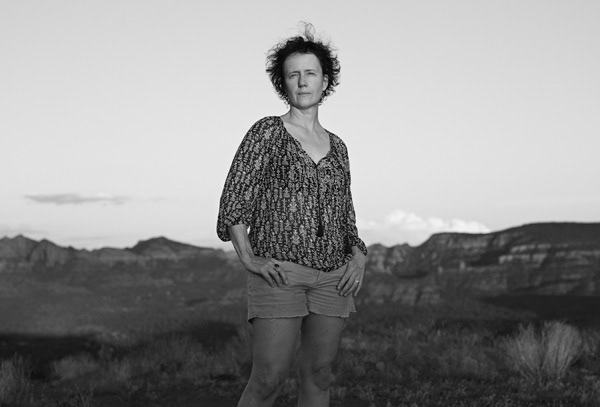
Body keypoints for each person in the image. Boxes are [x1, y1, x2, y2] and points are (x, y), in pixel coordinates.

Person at [217, 24, 367, 407]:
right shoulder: (267, 132)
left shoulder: (339, 147)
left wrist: (359, 254)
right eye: (293, 74)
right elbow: (235, 198)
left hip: (333, 277)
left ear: (325, 81)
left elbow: (345, 214)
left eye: (310, 73)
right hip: (280, 273)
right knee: (268, 379)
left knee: (319, 376)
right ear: (283, 83)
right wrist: (249, 258)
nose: (302, 82)